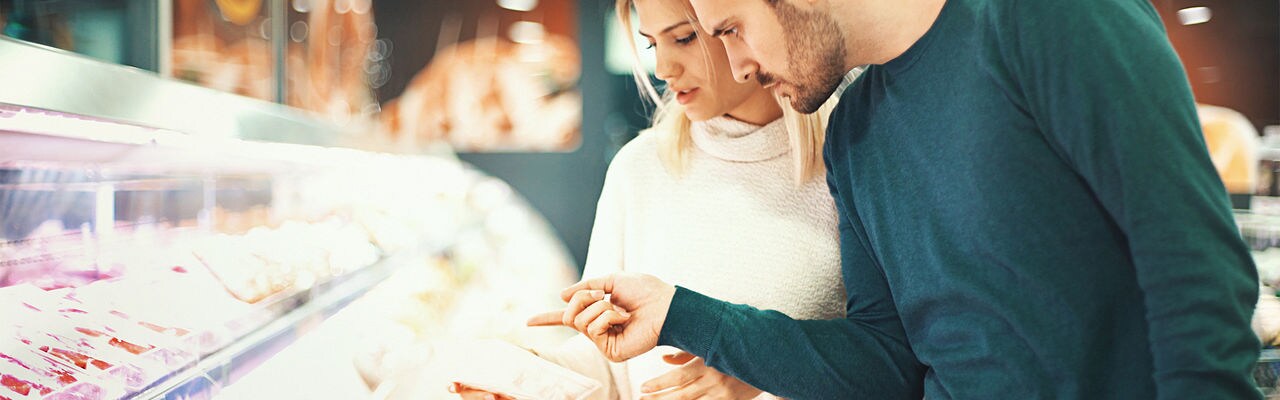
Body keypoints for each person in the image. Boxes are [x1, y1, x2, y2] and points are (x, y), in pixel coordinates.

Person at [534, 0, 1262, 398]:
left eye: (730, 29)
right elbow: (885, 359)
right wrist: (679, 312)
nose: (738, 64)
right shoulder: (856, 130)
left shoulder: (1046, 19)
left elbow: (1197, 275)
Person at [456, 0, 844, 398]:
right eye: (652, 45)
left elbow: (873, 360)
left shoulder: (848, 163)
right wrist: (532, 380)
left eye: (684, 38)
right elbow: (608, 363)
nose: (662, 69)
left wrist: (762, 369)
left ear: (739, 24)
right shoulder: (638, 166)